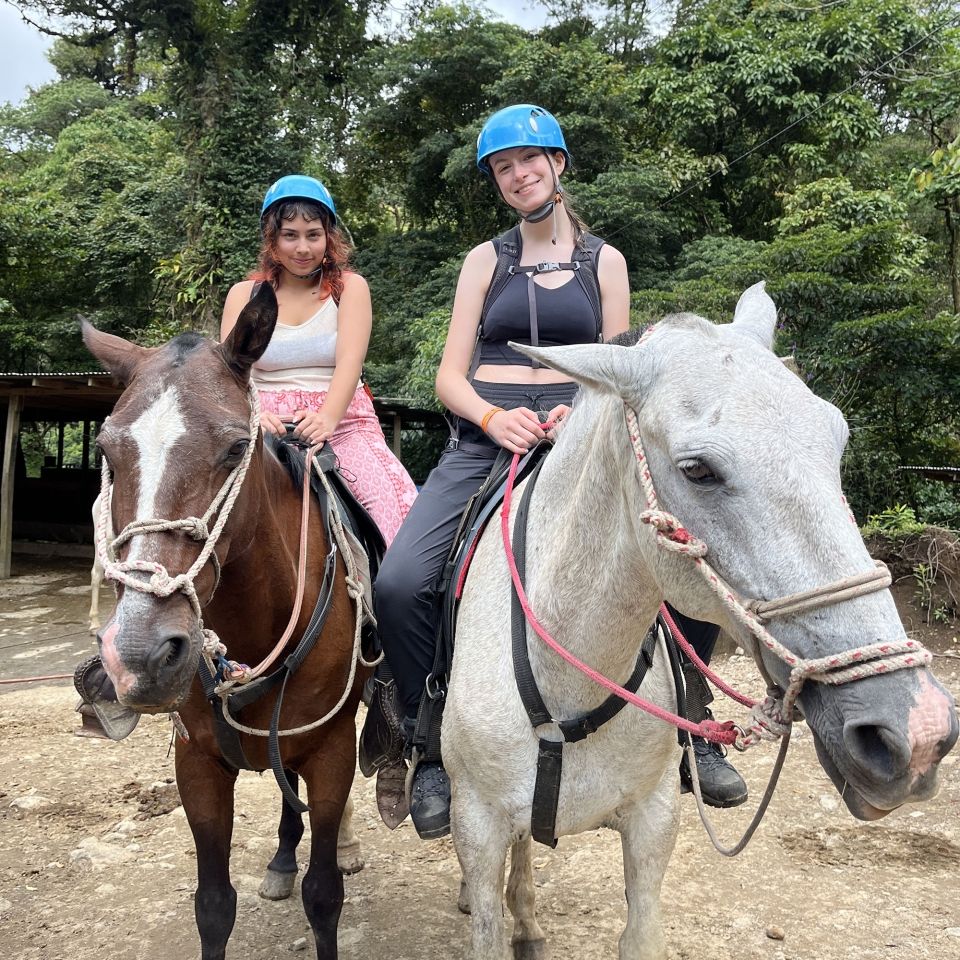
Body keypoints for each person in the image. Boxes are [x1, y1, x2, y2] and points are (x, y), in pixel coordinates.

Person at [373, 105, 632, 839]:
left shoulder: (604, 262)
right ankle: (426, 747)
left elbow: (613, 370)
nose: (518, 175)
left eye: (529, 160)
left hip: (578, 441)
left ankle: (689, 731)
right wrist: (493, 419)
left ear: (558, 163)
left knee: (672, 535)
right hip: (486, 442)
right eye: (502, 168)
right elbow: (449, 377)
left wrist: (576, 419)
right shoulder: (484, 262)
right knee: (399, 583)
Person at [220, 175, 417, 546]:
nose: (303, 247)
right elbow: (230, 371)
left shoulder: (349, 288)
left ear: (328, 236)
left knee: (396, 514)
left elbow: (349, 362)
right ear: (272, 239)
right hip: (260, 423)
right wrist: (253, 416)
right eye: (290, 235)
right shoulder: (243, 295)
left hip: (343, 420)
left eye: (313, 234)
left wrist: (327, 417)